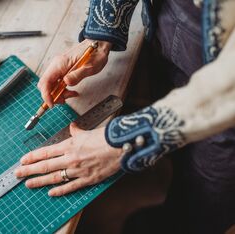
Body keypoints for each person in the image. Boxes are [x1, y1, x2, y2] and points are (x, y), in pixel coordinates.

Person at [14, 0, 235, 233]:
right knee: (182, 160)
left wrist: (125, 140)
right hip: (172, 26)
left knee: (207, 191)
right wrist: (100, 34)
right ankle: (172, 211)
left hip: (226, 100)